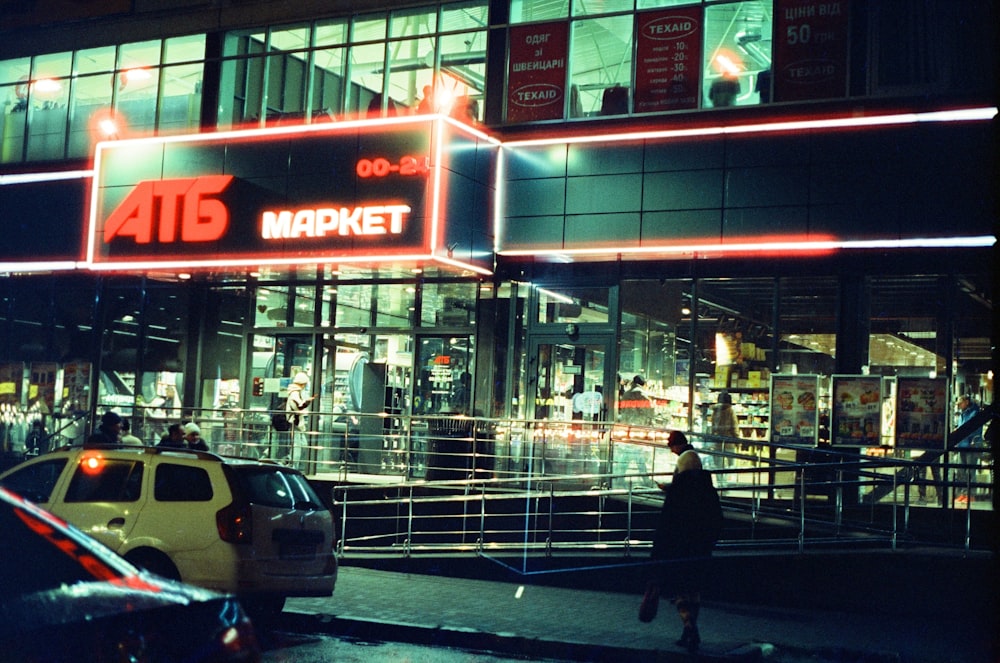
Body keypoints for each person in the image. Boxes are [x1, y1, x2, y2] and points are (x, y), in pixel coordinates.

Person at [641, 430, 723, 653]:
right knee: (694, 591)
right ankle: (688, 632)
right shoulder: (705, 492)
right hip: (701, 549)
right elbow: (716, 520)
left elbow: (668, 526)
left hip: (679, 550)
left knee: (679, 591)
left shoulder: (679, 499)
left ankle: (690, 628)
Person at [954, 393, 983, 503]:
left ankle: (971, 494)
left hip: (971, 445)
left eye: (960, 403)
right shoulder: (963, 413)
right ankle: (963, 493)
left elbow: (973, 429)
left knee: (970, 471)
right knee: (961, 471)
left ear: (966, 402)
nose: (959, 406)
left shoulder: (974, 413)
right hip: (962, 444)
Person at [286, 372, 315, 466]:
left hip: (296, 422)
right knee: (298, 446)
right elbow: (299, 406)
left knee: (301, 445)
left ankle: (289, 460)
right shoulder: (295, 393)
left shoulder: (295, 392)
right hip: (296, 422)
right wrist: (307, 402)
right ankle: (293, 465)